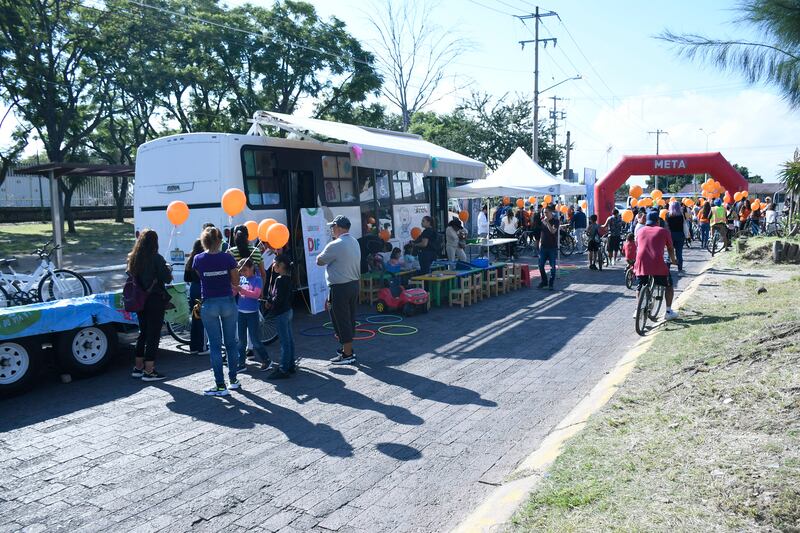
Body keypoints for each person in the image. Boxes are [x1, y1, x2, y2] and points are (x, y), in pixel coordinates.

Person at [193, 227, 240, 396]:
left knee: (214, 346)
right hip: (227, 301)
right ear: (220, 240)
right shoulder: (228, 258)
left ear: (204, 241)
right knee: (230, 343)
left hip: (209, 303)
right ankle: (233, 380)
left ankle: (220, 385)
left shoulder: (198, 259)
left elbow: (202, 277)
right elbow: (235, 282)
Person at [128, 229, 171, 382]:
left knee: (143, 332)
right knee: (153, 335)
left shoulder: (133, 258)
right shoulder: (157, 258)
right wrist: (168, 269)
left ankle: (138, 367)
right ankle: (149, 370)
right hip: (154, 299)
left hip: (139, 299)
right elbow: (167, 279)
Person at [317, 215, 361, 365]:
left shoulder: (336, 244)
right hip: (354, 285)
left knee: (341, 320)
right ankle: (347, 349)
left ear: (339, 227)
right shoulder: (354, 241)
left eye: (332, 227)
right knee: (349, 318)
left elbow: (319, 260)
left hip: (340, 287)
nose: (331, 230)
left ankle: (347, 354)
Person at [635, 210, 679, 321]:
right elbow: (670, 248)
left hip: (641, 262)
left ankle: (638, 309)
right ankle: (668, 311)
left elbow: (637, 244)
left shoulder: (640, 231)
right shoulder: (663, 231)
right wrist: (673, 260)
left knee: (640, 286)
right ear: (658, 221)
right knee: (669, 286)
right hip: (657, 262)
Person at [262, 254, 296, 379]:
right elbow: (287, 296)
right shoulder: (288, 278)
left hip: (281, 313)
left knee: (284, 342)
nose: (273, 265)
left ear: (281, 265)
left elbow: (278, 298)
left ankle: (283, 368)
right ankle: (291, 364)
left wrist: (271, 303)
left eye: (275, 263)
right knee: (289, 339)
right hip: (288, 311)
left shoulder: (280, 280)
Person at [234, 258, 270, 372]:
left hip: (252, 313)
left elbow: (256, 295)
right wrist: (232, 287)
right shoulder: (241, 279)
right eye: (240, 270)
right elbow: (235, 293)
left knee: (255, 340)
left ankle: (267, 360)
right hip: (241, 313)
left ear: (252, 268)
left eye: (244, 270)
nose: (242, 273)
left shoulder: (257, 279)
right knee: (241, 340)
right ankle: (241, 363)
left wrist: (241, 290)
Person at [184, 239, 208, 356]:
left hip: (193, 289)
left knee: (195, 318)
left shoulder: (190, 259)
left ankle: (193, 346)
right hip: (201, 289)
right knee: (202, 319)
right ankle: (202, 347)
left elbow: (186, 278)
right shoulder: (202, 259)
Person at [537, 206, 559, 289]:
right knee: (541, 265)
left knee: (552, 266)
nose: (544, 214)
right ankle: (544, 281)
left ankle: (551, 283)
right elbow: (542, 233)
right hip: (543, 247)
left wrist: (548, 223)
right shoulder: (542, 221)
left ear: (550, 212)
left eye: (546, 212)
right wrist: (539, 243)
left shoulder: (555, 221)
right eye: (543, 213)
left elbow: (553, 231)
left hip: (552, 247)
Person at [666, 201, 686, 271]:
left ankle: (667, 269)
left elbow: (667, 226)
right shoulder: (681, 215)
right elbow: (684, 225)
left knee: (669, 252)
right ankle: (680, 270)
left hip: (670, 235)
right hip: (680, 234)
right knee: (679, 253)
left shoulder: (668, 215)